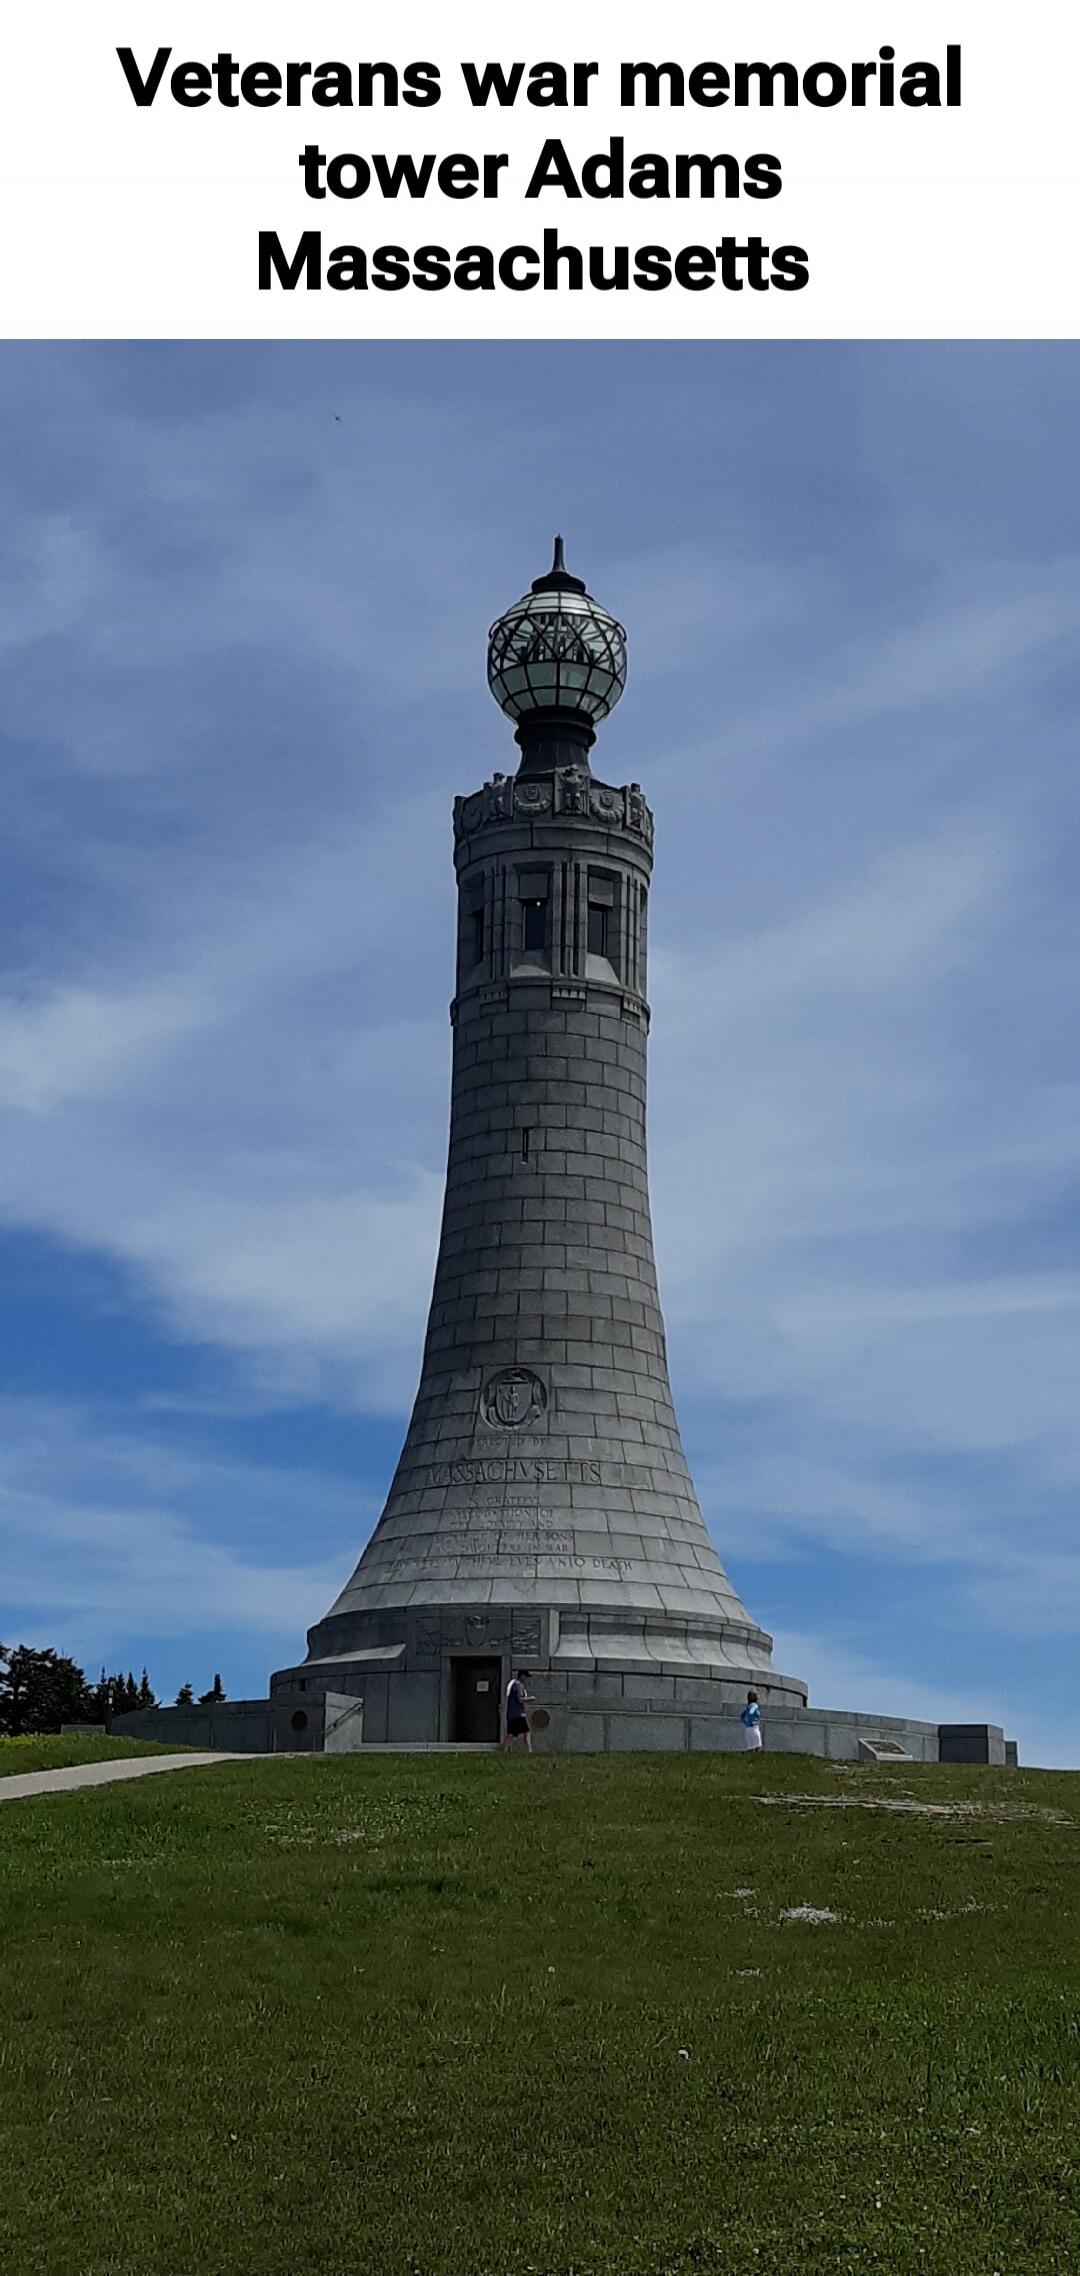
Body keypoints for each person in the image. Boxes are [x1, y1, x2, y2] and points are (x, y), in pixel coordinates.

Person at [504, 1668, 534, 1753]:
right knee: (527, 1733)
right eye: (526, 1677)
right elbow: (520, 1699)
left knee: (510, 1734)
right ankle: (529, 1752)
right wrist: (530, 1699)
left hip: (511, 1714)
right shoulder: (519, 1685)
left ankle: (505, 1751)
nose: (527, 1679)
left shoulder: (514, 1684)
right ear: (522, 1676)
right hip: (518, 1714)